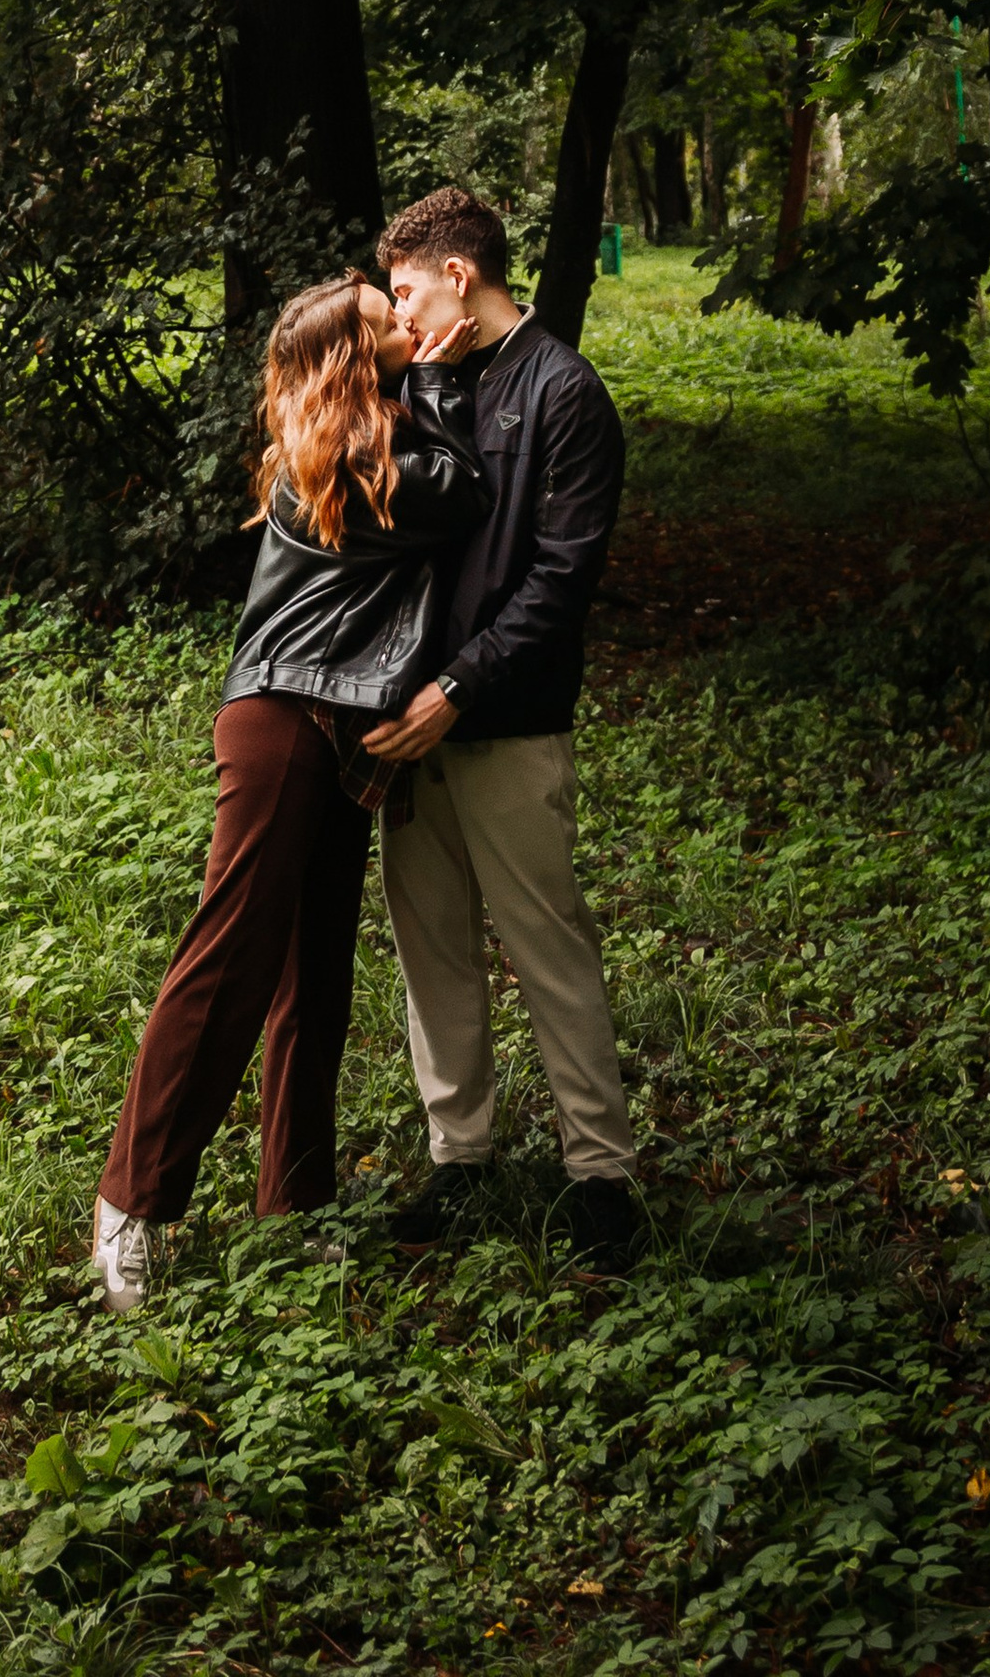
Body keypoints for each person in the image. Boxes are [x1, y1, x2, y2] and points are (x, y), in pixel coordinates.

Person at [92, 272, 485, 1312]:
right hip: (283, 720)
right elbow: (464, 496)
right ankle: (130, 1202)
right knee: (228, 955)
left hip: (342, 731)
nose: (405, 319)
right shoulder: (344, 461)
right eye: (380, 317)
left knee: (313, 975)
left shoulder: (372, 434)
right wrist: (442, 382)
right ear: (353, 357)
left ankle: (296, 1204)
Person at [360, 184, 642, 1261]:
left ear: (457, 276)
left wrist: (456, 691)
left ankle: (600, 1179)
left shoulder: (565, 394)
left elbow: (560, 579)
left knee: (547, 947)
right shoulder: (415, 381)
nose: (395, 311)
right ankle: (458, 1160)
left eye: (403, 288)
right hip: (403, 729)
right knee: (431, 950)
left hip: (504, 718)